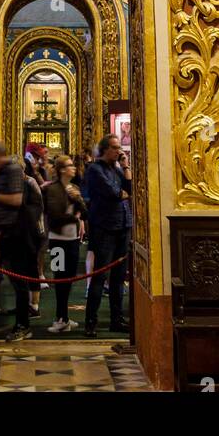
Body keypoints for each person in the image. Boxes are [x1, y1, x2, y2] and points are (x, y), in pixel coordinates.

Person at [0, 140, 39, 342]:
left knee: (19, 280)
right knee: (13, 279)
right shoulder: (3, 172)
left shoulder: (11, 169)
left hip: (17, 233)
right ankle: (19, 321)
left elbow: (16, 200)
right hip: (7, 233)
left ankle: (22, 325)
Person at [82, 134, 132, 337]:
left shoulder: (117, 169)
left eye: (120, 147)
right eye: (115, 147)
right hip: (104, 227)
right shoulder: (95, 169)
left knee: (119, 277)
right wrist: (122, 193)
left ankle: (116, 319)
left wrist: (126, 167)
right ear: (104, 149)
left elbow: (129, 189)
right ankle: (90, 322)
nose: (119, 151)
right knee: (100, 276)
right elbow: (114, 193)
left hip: (123, 225)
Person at [43, 155, 87, 334]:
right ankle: (59, 318)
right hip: (57, 242)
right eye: (69, 165)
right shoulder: (52, 190)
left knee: (69, 280)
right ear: (62, 169)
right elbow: (54, 217)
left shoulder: (75, 188)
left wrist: (78, 200)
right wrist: (73, 217)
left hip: (73, 241)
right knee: (59, 279)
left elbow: (84, 213)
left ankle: (65, 317)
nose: (73, 168)